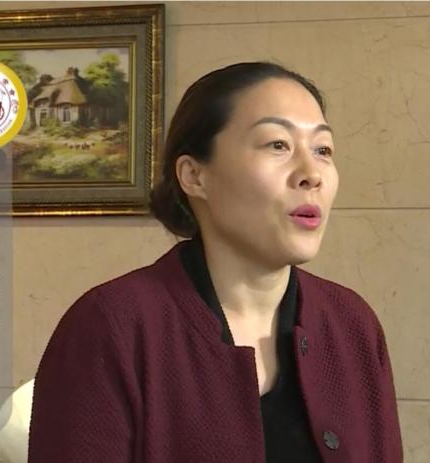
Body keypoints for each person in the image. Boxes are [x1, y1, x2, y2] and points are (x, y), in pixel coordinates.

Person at [28, 61, 403, 462]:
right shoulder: (111, 326)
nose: (312, 174)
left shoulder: (352, 325)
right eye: (277, 145)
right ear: (194, 176)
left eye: (323, 150)